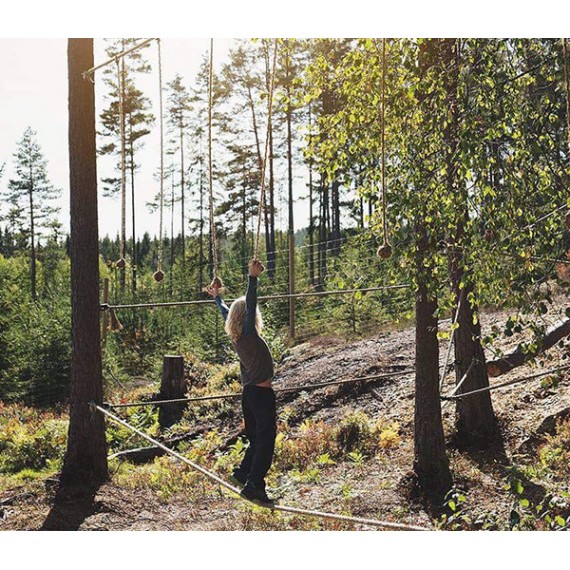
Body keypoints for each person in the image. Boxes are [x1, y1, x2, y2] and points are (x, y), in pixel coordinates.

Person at [206, 258, 276, 506]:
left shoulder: (237, 335)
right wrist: (252, 278)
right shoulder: (247, 334)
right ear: (247, 317)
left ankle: (244, 472)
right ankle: (254, 485)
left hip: (249, 395)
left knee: (257, 439)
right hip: (261, 395)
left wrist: (216, 298)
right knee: (266, 442)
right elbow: (251, 302)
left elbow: (226, 311)